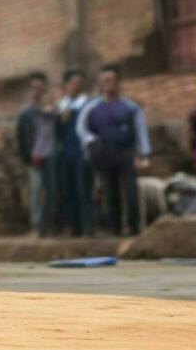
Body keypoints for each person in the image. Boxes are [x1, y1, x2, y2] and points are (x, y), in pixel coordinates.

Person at [77, 65, 151, 236]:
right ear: (101, 84)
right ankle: (115, 229)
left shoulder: (130, 108)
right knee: (110, 193)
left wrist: (145, 154)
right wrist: (91, 141)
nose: (108, 84)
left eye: (111, 80)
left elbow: (141, 131)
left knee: (131, 192)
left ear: (118, 83)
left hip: (126, 154)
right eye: (105, 81)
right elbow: (81, 128)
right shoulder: (92, 108)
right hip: (104, 155)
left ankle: (134, 228)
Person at [16, 71, 57, 237]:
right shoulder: (25, 113)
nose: (37, 91)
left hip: (51, 156)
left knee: (51, 191)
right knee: (36, 191)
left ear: (45, 88)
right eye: (34, 88)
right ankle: (36, 226)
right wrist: (28, 157)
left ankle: (50, 226)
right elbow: (21, 137)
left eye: (40, 87)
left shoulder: (51, 110)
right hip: (34, 158)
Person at [54, 69, 92, 236]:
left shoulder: (87, 105)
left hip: (82, 153)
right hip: (66, 154)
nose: (76, 87)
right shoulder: (62, 106)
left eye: (79, 84)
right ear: (66, 85)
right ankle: (75, 228)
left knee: (83, 190)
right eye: (72, 84)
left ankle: (87, 227)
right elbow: (57, 133)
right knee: (68, 191)